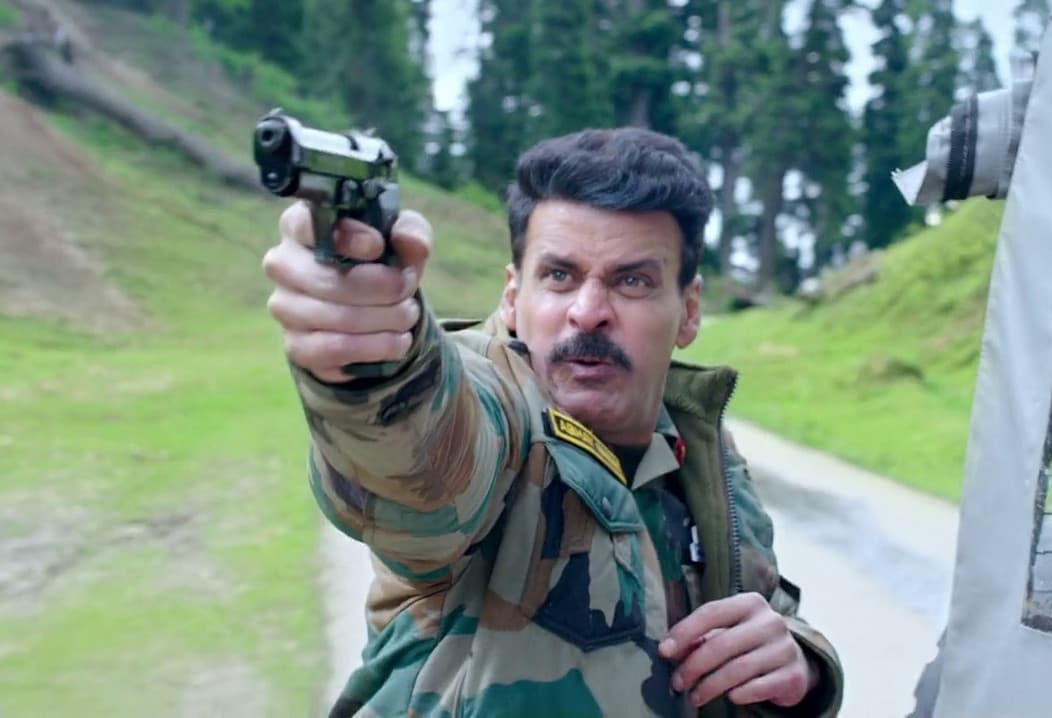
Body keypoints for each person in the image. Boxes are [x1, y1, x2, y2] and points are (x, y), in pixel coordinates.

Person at [262, 126, 844, 717]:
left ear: (689, 312)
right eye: (559, 276)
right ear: (512, 297)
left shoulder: (699, 445)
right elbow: (421, 458)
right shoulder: (495, 410)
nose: (588, 313)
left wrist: (803, 669)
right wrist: (377, 365)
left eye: (632, 281)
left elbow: (766, 610)